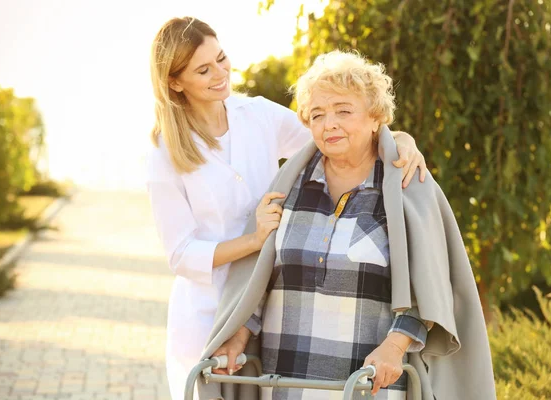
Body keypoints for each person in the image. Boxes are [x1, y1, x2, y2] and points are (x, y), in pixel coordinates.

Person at [146, 18, 428, 400]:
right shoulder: (165, 151)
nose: (220, 73)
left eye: (222, 58)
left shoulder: (257, 114)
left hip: (270, 289)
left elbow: (336, 136)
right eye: (203, 69)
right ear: (176, 82)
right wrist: (254, 241)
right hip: (209, 307)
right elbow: (180, 254)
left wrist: (400, 139)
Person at [201, 51, 496, 400]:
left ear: (376, 117)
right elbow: (264, 280)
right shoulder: (288, 187)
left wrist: (395, 348)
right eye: (317, 115)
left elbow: (430, 289)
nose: (330, 124)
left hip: (369, 387)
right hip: (286, 386)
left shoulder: (407, 186)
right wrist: (239, 335)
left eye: (343, 110)